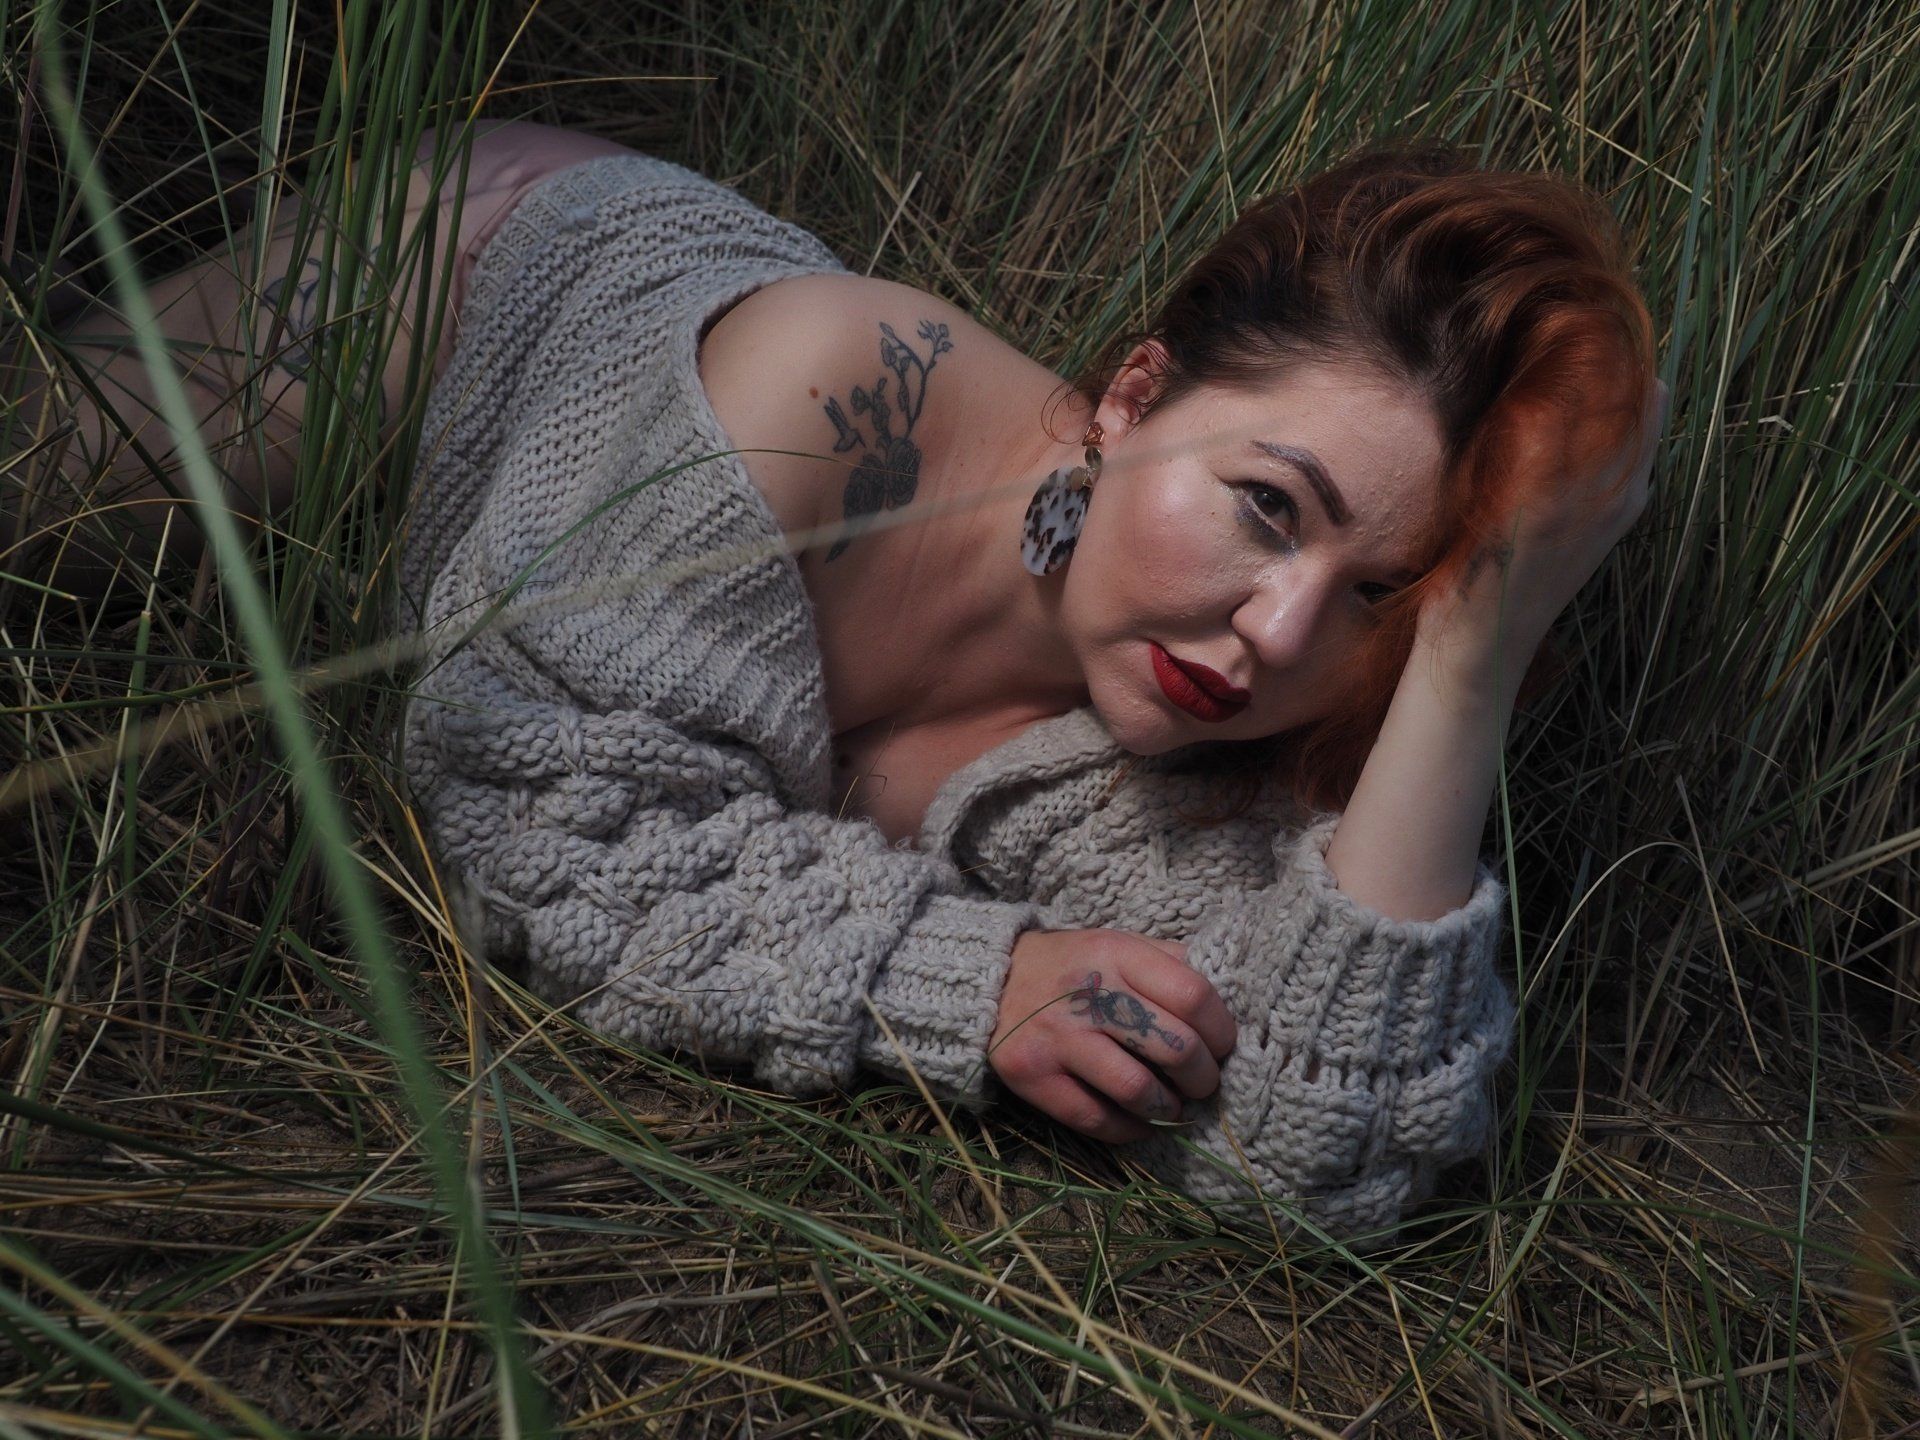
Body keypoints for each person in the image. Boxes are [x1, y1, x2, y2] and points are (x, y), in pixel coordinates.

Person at [2, 120, 1665, 1241]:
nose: (1278, 635)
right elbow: (522, 797)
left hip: (506, 504)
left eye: (1380, 591)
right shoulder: (825, 389)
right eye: (1263, 507)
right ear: (1136, 394)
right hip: (474, 282)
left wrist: (1473, 653)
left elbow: (1328, 1154)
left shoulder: (1194, 734)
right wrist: (969, 978)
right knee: (30, 482)